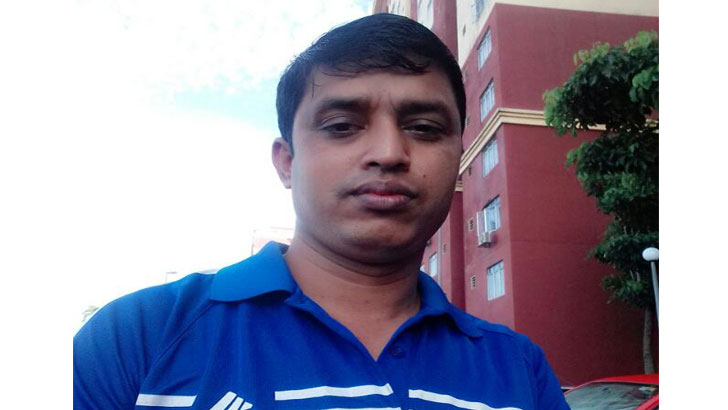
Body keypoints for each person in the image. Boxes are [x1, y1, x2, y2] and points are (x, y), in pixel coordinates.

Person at [74, 13, 570, 410]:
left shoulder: (518, 369)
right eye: (341, 126)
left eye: (423, 128)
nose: (388, 153)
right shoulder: (136, 337)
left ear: (458, 157)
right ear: (286, 162)